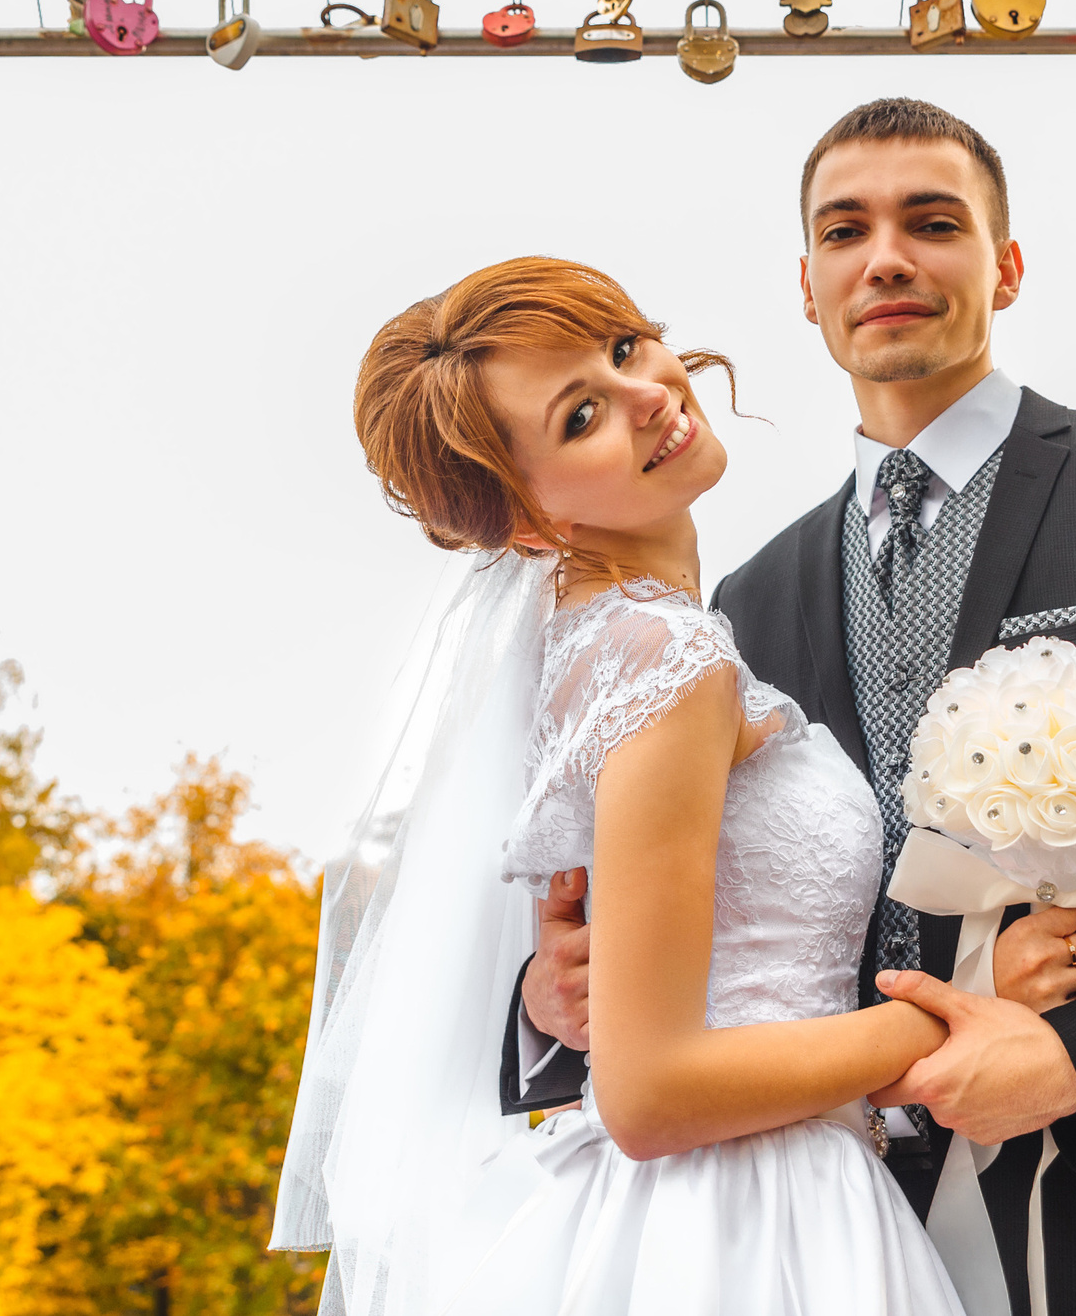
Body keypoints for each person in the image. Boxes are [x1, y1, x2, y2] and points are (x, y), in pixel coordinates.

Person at [510, 99, 1076, 1316]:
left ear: (1006, 265)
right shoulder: (744, 602)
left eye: (933, 221)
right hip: (816, 1242)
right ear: (806, 286)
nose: (887, 256)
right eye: (844, 230)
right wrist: (555, 1000)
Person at [270, 256, 968, 1316]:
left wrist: (546, 994)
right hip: (748, 1222)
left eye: (625, 345)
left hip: (708, 1200)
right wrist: (959, 1018)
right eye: (583, 412)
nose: (650, 391)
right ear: (526, 519)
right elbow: (648, 1093)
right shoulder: (660, 658)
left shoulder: (594, 652)